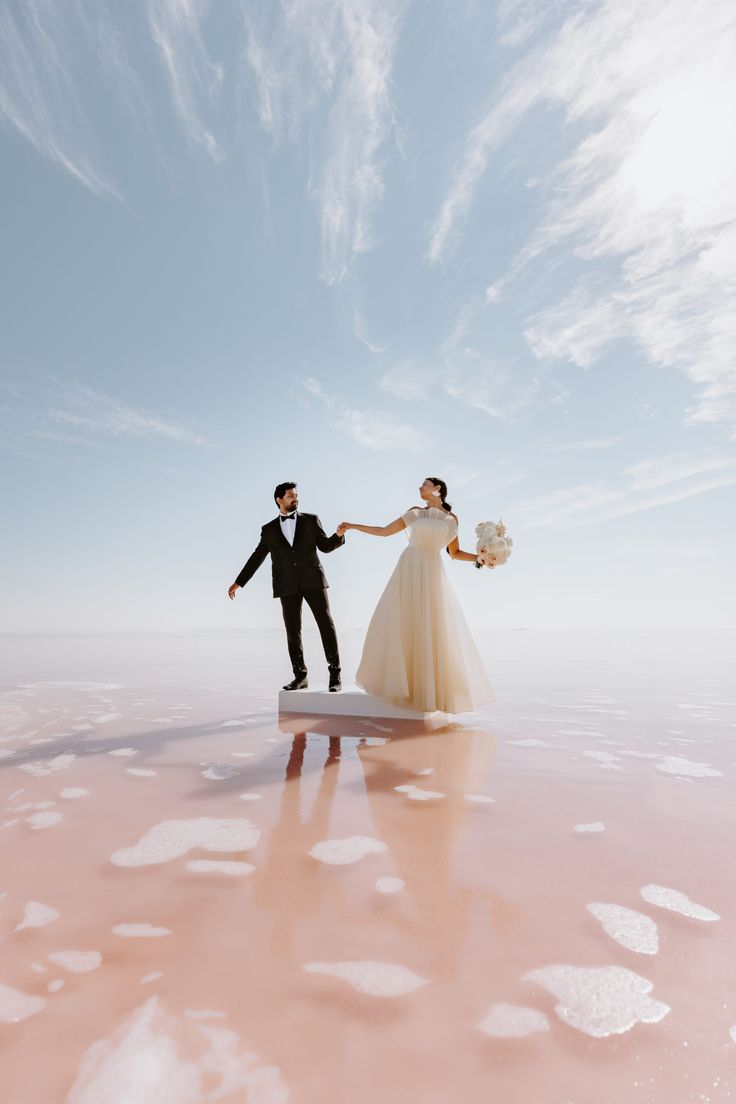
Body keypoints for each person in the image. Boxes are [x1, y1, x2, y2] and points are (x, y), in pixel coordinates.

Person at [336, 477, 495, 713]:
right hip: (409, 568)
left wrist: (479, 558)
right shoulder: (415, 513)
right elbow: (383, 531)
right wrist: (352, 526)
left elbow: (455, 552)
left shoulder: (452, 520)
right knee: (401, 622)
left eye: (425, 484)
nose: (420, 488)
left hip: (431, 571)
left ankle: (430, 692)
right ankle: (403, 686)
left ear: (438, 489)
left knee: (432, 627)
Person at [228, 482, 345, 691]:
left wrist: (339, 535)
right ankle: (300, 676)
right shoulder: (269, 529)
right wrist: (239, 582)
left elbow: (325, 547)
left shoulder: (310, 520)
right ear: (279, 500)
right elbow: (257, 557)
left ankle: (335, 675)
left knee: (325, 624)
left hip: (313, 580)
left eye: (296, 495)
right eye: (290, 495)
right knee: (293, 631)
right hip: (286, 585)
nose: (295, 498)